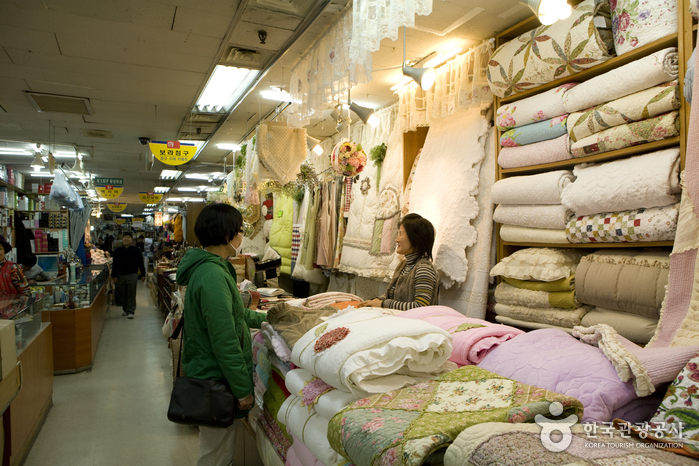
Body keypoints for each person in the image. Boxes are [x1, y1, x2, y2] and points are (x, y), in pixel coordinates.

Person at [176, 203, 266, 466]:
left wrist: (273, 318)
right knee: (216, 457)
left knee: (217, 453)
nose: (242, 236)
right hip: (213, 378)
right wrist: (242, 390)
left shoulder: (213, 268)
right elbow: (224, 340)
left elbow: (236, 316)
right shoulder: (213, 274)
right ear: (227, 235)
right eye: (239, 230)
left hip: (211, 372)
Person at [358, 213, 439, 310]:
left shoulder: (424, 269)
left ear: (415, 238)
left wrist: (383, 303)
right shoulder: (403, 265)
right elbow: (391, 296)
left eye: (401, 234)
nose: (397, 239)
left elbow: (420, 306)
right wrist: (375, 301)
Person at [111, 232, 146, 319]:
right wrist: (114, 275)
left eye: (128, 237)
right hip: (121, 275)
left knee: (131, 293)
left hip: (132, 275)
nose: (126, 239)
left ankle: (131, 311)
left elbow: (140, 263)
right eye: (125, 237)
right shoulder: (117, 251)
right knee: (122, 293)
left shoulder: (136, 250)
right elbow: (114, 264)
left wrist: (143, 274)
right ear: (122, 239)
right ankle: (125, 308)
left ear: (131, 239)